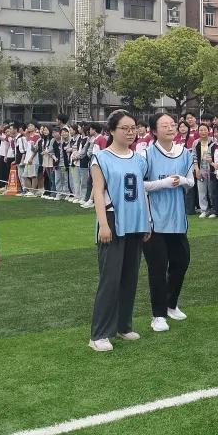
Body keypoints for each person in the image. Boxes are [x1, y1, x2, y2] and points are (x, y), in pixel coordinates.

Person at [88, 110, 150, 352]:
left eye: (133, 128)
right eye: (125, 128)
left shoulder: (139, 159)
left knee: (130, 277)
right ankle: (99, 334)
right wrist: (103, 224)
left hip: (135, 222)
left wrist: (147, 222)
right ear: (112, 130)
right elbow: (98, 192)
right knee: (110, 279)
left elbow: (142, 192)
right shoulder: (101, 158)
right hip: (113, 221)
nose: (130, 132)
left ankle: (124, 326)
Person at [141, 112, 195, 331]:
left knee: (181, 261)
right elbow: (139, 184)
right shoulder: (146, 154)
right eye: (164, 126)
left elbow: (191, 181)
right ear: (154, 131)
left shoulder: (185, 153)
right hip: (153, 221)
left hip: (177, 220)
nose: (171, 128)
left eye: (172, 124)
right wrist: (162, 184)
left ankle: (171, 304)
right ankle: (158, 315)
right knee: (157, 267)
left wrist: (182, 180)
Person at [193, 123, 214, 218]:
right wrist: (197, 169)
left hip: (211, 169)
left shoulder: (213, 141)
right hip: (201, 169)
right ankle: (204, 210)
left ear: (208, 131)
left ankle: (213, 209)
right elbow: (194, 157)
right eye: (201, 130)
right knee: (201, 191)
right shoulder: (196, 143)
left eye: (205, 130)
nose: (203, 132)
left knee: (211, 190)